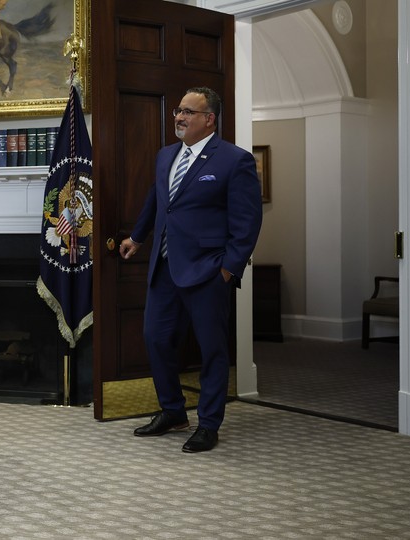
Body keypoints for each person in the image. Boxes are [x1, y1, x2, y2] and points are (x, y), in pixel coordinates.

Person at [119, 86, 262, 453]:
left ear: (209, 119)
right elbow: (158, 200)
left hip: (208, 271)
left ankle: (209, 424)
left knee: (212, 349)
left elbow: (247, 223)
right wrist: (137, 237)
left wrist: (228, 269)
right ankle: (173, 411)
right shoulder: (166, 155)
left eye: (187, 112)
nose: (179, 117)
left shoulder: (234, 160)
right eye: (178, 111)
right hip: (165, 266)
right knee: (155, 338)